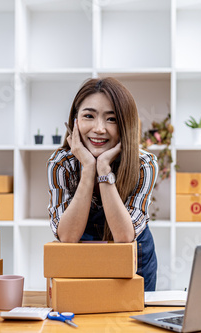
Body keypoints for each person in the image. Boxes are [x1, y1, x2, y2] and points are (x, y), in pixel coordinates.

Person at [47, 77, 158, 291]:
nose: (99, 129)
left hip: (135, 259)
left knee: (133, 323)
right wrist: (88, 168)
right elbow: (68, 237)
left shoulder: (144, 164)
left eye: (112, 119)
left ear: (126, 124)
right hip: (81, 256)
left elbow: (124, 237)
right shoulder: (61, 164)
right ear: (75, 121)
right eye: (89, 116)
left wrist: (104, 170)